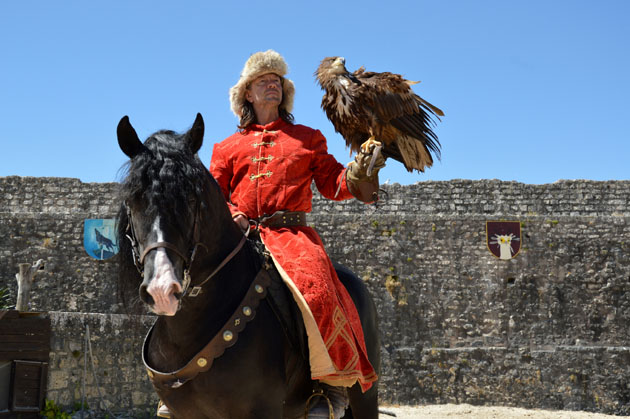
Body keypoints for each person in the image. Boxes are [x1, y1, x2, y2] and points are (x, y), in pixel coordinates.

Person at [159, 49, 384, 418]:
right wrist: (234, 215)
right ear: (247, 93)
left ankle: (327, 386)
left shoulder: (307, 138)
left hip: (292, 238)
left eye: (277, 81)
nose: (272, 85)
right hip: (239, 239)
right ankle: (178, 385)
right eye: (263, 80)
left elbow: (333, 183)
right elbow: (215, 195)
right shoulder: (226, 147)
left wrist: (357, 174)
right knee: (188, 285)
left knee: (319, 287)